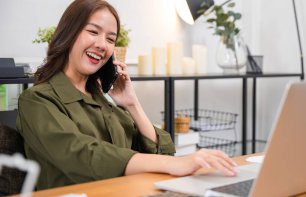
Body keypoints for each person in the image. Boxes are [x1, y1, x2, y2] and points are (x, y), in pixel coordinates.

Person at [16, 0, 237, 190]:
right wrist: (176, 165)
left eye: (111, 39)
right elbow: (83, 156)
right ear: (69, 33)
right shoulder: (37, 100)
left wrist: (132, 104)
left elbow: (164, 152)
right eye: (93, 32)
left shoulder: (104, 102)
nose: (102, 45)